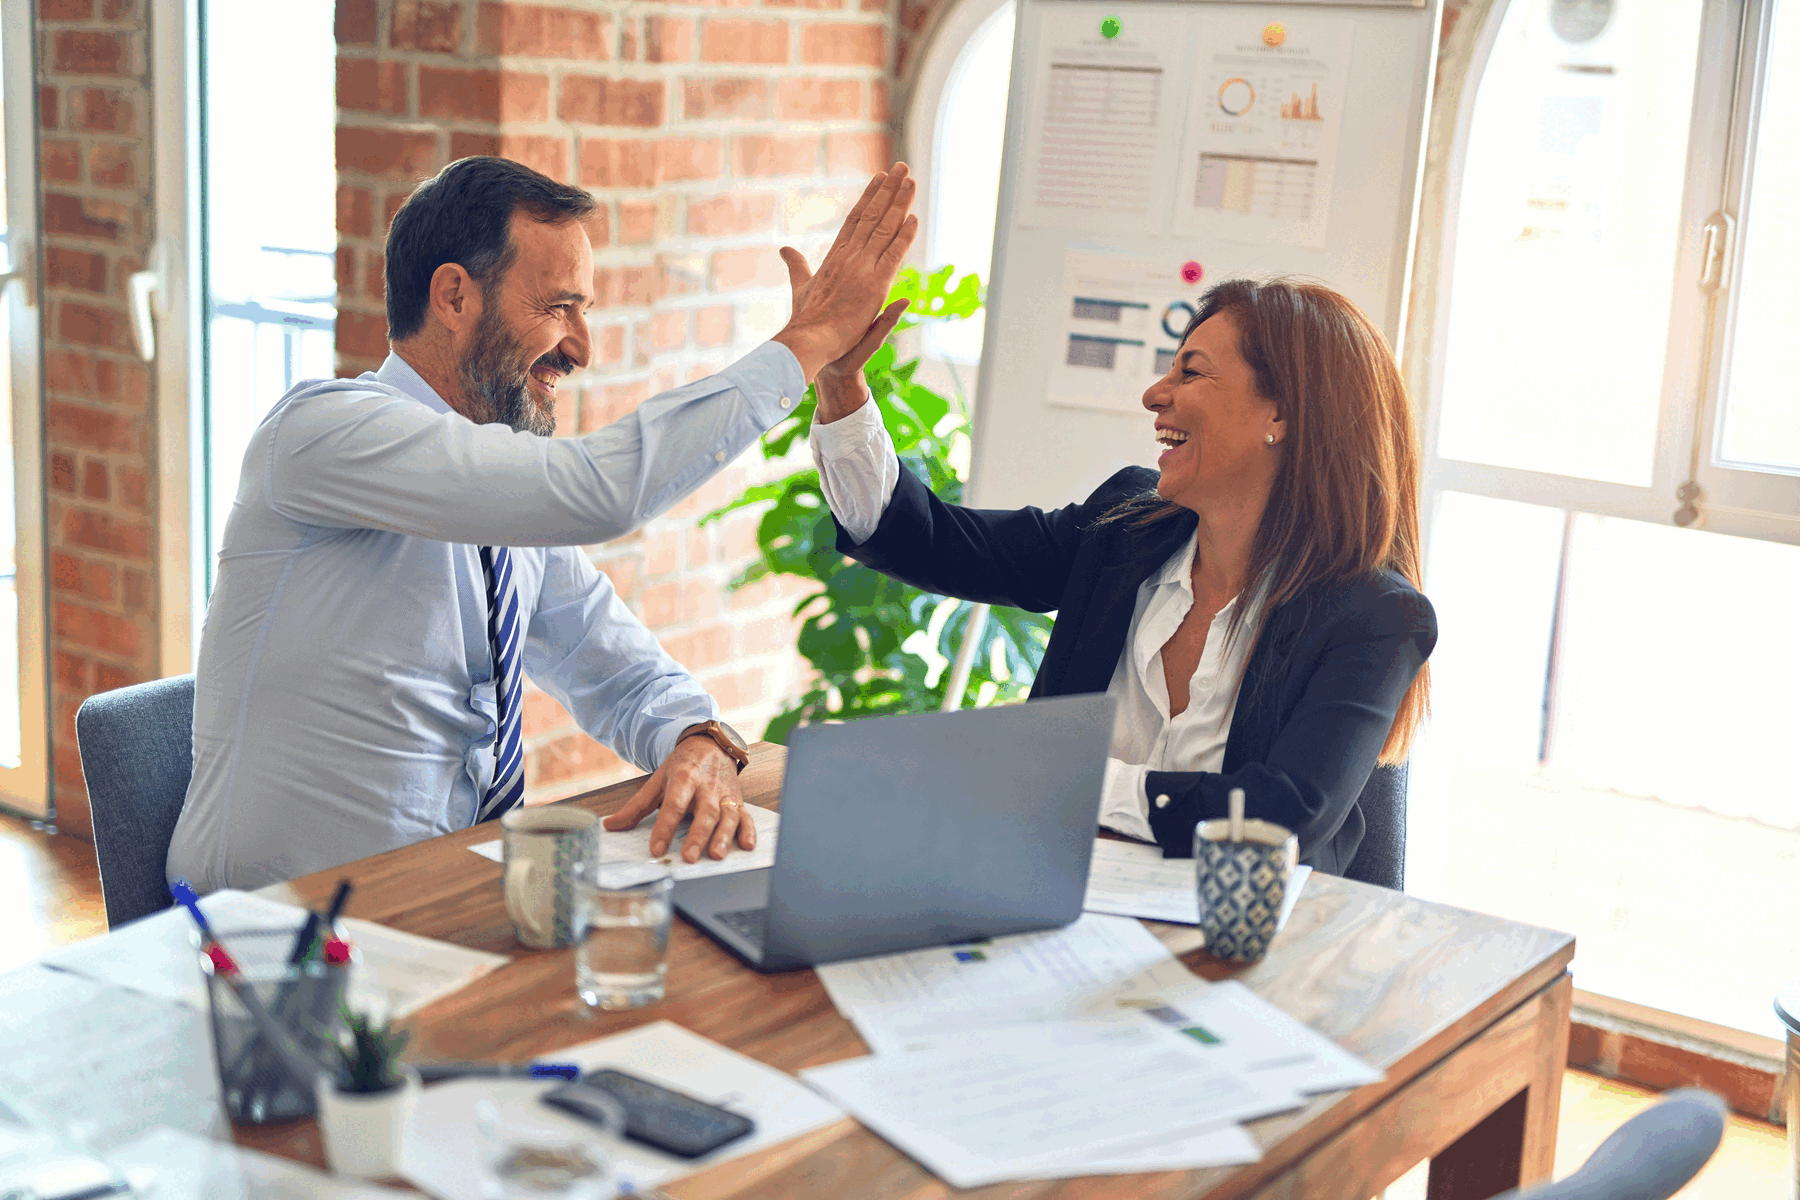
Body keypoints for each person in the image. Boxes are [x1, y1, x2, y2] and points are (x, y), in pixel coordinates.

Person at [167, 155, 917, 892]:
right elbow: (600, 491)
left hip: (445, 904)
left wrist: (699, 738)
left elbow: (616, 667)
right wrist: (808, 341)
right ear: (455, 297)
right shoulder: (322, 433)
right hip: (273, 934)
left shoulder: (502, 500)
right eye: (560, 307)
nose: (582, 348)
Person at [808, 277, 1435, 874]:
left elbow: (1279, 818)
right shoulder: (1124, 530)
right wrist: (841, 384)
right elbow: (932, 541)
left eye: (1190, 371)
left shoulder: (1374, 616)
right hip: (1051, 900)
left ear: (1282, 415)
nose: (1155, 394)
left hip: (1246, 949)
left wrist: (1066, 778)